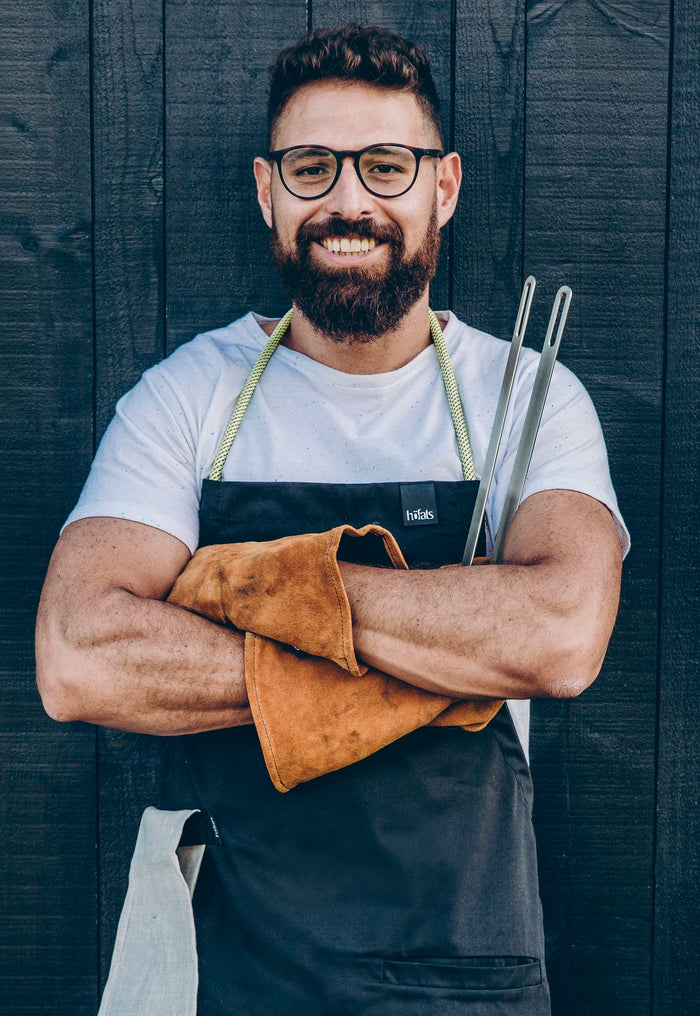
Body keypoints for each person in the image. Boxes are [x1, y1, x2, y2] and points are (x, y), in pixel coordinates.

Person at [36, 23, 627, 1016]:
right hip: (226, 968)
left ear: (441, 187)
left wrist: (256, 594)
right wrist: (440, 657)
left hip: (461, 976)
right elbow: (78, 654)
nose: (349, 201)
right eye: (312, 168)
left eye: (385, 166)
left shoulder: (526, 395)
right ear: (269, 192)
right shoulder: (188, 399)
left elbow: (560, 635)